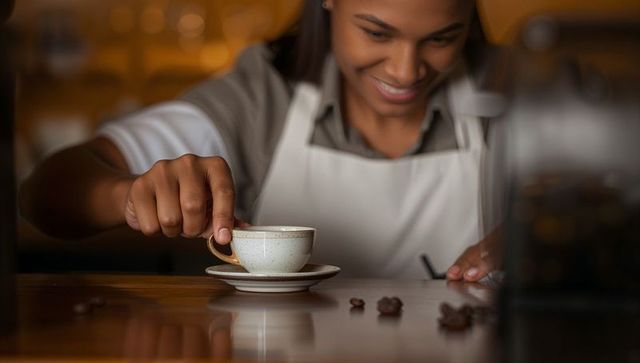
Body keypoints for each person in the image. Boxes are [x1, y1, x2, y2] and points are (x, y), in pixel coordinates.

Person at [20, 0, 504, 280]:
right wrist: (128, 196)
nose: (405, 71)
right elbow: (44, 194)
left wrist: (549, 242)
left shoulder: (517, 91)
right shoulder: (261, 97)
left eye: (442, 38)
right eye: (376, 33)